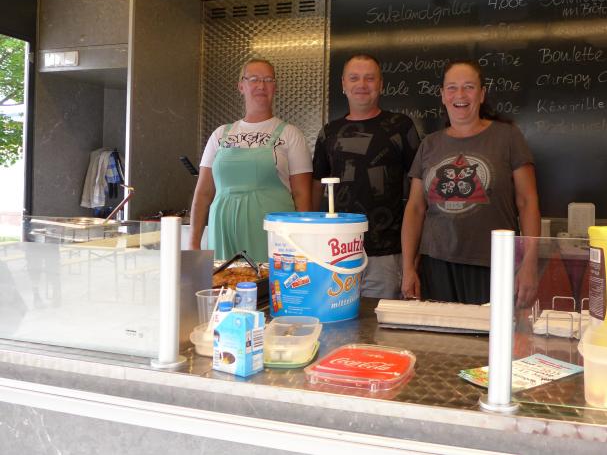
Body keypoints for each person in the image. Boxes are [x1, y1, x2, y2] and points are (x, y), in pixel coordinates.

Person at [401, 60, 540, 306]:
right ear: (443, 95)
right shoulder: (429, 144)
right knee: (441, 332)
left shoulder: (508, 137)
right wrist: (408, 267)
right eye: (452, 88)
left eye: (469, 87)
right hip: (436, 265)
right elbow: (415, 208)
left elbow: (527, 202)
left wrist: (530, 263)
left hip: (493, 262)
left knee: (488, 331)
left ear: (482, 94)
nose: (460, 95)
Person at [312, 54, 420, 298]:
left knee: (381, 321)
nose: (362, 84)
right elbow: (316, 188)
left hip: (386, 256)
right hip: (335, 252)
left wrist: (412, 261)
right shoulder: (329, 132)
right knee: (337, 319)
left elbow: (419, 192)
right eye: (354, 78)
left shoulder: (401, 126)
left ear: (381, 84)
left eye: (369, 78)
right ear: (343, 84)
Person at [190, 57, 312, 262]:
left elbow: (302, 196)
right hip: (222, 233)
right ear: (241, 86)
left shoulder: (291, 134)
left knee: (266, 282)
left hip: (273, 237)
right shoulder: (220, 134)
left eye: (268, 80)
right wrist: (194, 244)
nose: (261, 86)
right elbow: (203, 194)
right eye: (254, 79)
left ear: (275, 87)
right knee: (223, 281)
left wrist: (303, 246)